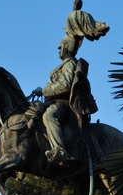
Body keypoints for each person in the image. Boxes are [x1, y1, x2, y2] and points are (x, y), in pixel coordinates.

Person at [33, 35, 90, 165]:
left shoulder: (70, 64)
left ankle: (60, 151)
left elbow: (65, 85)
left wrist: (43, 91)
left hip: (64, 103)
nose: (59, 51)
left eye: (61, 48)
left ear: (66, 48)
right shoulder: (64, 65)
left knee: (49, 116)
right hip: (52, 101)